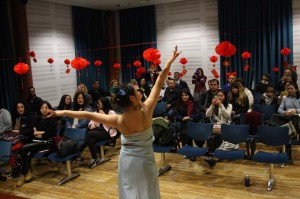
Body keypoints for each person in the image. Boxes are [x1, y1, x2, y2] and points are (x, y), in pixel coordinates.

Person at [48, 46, 181, 199]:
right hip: (146, 161)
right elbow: (160, 79)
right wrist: (171, 59)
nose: (139, 92)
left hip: (128, 161)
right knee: (147, 188)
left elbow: (86, 114)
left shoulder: (118, 120)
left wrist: (59, 112)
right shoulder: (147, 110)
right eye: (136, 91)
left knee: (129, 189)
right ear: (132, 98)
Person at [17, 101, 57, 187]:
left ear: (49, 109)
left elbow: (49, 134)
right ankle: (27, 172)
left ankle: (23, 174)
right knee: (26, 151)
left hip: (46, 143)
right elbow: (31, 131)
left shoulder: (52, 120)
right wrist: (39, 133)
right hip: (36, 142)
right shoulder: (37, 119)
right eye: (42, 108)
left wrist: (38, 132)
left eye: (46, 108)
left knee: (24, 148)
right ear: (40, 109)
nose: (44, 110)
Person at [78, 97, 118, 168]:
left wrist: (104, 116)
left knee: (90, 134)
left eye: (99, 103)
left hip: (108, 132)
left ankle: (79, 150)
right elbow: (90, 122)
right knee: (91, 140)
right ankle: (94, 158)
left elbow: (114, 125)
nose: (97, 105)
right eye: (97, 103)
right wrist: (91, 125)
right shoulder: (96, 112)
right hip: (98, 131)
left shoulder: (111, 112)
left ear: (104, 104)